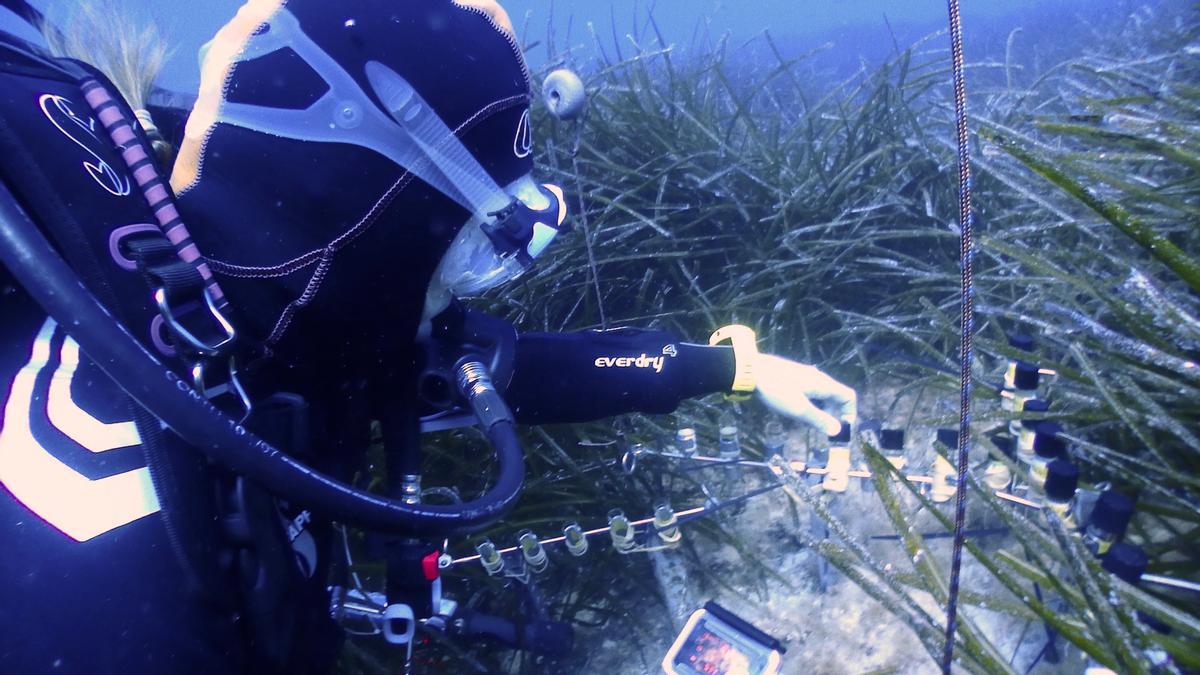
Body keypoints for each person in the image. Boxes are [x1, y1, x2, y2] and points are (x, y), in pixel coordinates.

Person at [0, 1, 856, 673]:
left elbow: (493, 372)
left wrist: (734, 368)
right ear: (377, 237)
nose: (460, 307)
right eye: (476, 254)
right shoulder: (114, 572)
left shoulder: (281, 322)